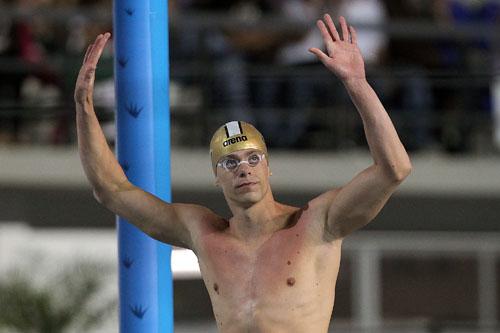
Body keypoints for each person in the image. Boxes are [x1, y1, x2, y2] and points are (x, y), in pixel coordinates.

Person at [75, 14, 411, 332]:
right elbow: (111, 189)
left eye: (253, 159)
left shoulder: (317, 223)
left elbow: (394, 169)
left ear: (268, 167)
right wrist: (83, 107)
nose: (244, 169)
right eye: (231, 162)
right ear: (216, 176)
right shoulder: (202, 232)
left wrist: (357, 83)